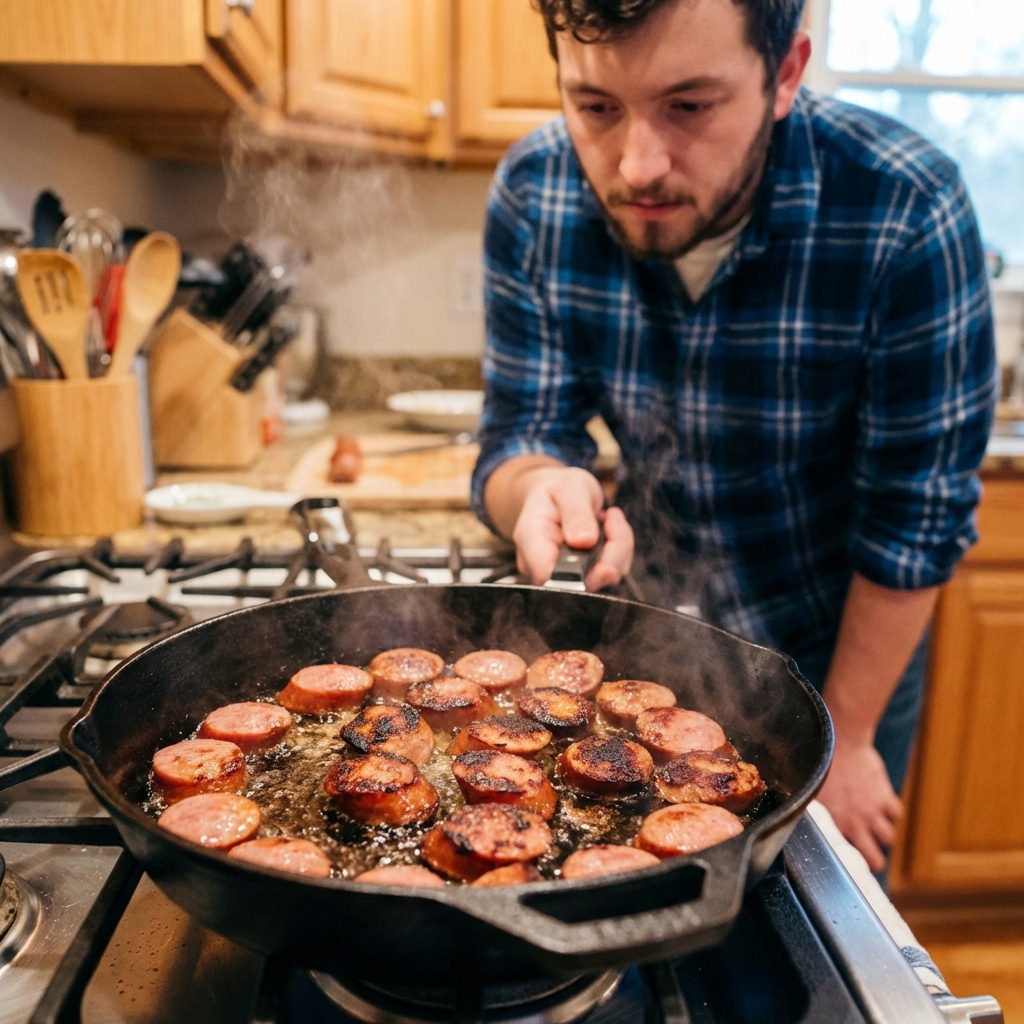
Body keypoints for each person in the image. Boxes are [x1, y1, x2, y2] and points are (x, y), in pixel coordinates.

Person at [471, 0, 997, 872]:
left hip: (836, 642)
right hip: (645, 630)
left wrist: (852, 736)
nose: (637, 165)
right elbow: (521, 428)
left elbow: (914, 520)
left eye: (690, 106)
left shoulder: (903, 202)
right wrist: (538, 486)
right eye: (596, 107)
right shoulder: (533, 190)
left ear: (785, 73)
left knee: (812, 914)